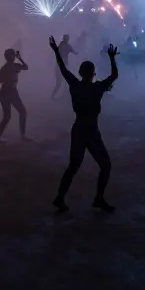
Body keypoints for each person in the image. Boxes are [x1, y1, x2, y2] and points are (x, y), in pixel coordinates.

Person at [52, 37, 120, 212]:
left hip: (78, 129)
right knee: (105, 165)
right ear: (93, 73)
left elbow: (63, 69)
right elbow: (114, 75)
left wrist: (56, 51)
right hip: (91, 130)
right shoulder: (97, 88)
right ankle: (98, 198)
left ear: (81, 72)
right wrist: (112, 58)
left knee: (73, 166)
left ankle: (60, 197)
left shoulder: (75, 85)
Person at [0, 48, 29, 142]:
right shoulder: (10, 67)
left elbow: (26, 67)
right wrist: (10, 80)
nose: (13, 57)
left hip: (7, 92)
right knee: (19, 112)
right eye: (13, 55)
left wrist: (20, 58)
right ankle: (22, 135)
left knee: (8, 115)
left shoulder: (11, 66)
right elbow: (0, 80)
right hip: (9, 92)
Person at [51, 34, 75, 100]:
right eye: (66, 38)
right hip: (60, 66)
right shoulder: (62, 45)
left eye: (67, 38)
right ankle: (53, 96)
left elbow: (74, 52)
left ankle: (62, 97)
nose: (67, 39)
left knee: (65, 83)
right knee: (59, 83)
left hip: (64, 66)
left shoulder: (67, 45)